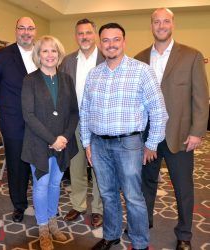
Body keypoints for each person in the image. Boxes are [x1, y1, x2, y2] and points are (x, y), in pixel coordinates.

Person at [80, 23, 168, 250]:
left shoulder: (141, 71)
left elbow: (159, 111)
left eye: (116, 39)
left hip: (130, 143)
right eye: (106, 40)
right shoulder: (94, 74)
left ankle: (140, 243)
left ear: (124, 42)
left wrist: (151, 144)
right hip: (99, 144)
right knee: (108, 194)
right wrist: (87, 143)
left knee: (133, 196)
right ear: (100, 45)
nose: (111, 44)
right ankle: (111, 236)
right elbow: (85, 111)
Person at [135, 8, 209, 250]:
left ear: (172, 24)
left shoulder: (192, 55)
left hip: (180, 136)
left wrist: (198, 131)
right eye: (156, 21)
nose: (161, 25)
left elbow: (200, 97)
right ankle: (142, 223)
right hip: (148, 137)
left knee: (183, 187)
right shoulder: (139, 58)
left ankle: (184, 234)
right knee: (146, 183)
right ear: (151, 25)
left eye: (165, 21)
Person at [21, 35, 79, 250]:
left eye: (53, 51)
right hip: (39, 143)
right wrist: (52, 139)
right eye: (44, 51)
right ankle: (43, 227)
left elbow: (74, 112)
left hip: (62, 143)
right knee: (41, 184)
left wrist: (63, 137)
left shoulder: (66, 80)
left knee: (55, 184)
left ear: (59, 54)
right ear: (38, 55)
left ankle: (53, 221)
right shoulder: (30, 80)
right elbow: (28, 115)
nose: (49, 55)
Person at [0, 17, 37, 222]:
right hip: (14, 122)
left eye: (30, 28)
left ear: (35, 31)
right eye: (22, 28)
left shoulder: (43, 53)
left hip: (41, 124)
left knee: (42, 165)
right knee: (17, 166)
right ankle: (19, 205)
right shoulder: (2, 56)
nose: (26, 32)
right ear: (15, 30)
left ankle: (43, 202)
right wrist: (6, 104)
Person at [59, 18, 104, 228]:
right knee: (76, 165)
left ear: (94, 34)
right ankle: (78, 204)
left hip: (100, 121)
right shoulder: (67, 61)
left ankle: (98, 208)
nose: (84, 37)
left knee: (99, 166)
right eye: (80, 33)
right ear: (75, 36)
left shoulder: (107, 57)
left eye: (88, 33)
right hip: (74, 121)